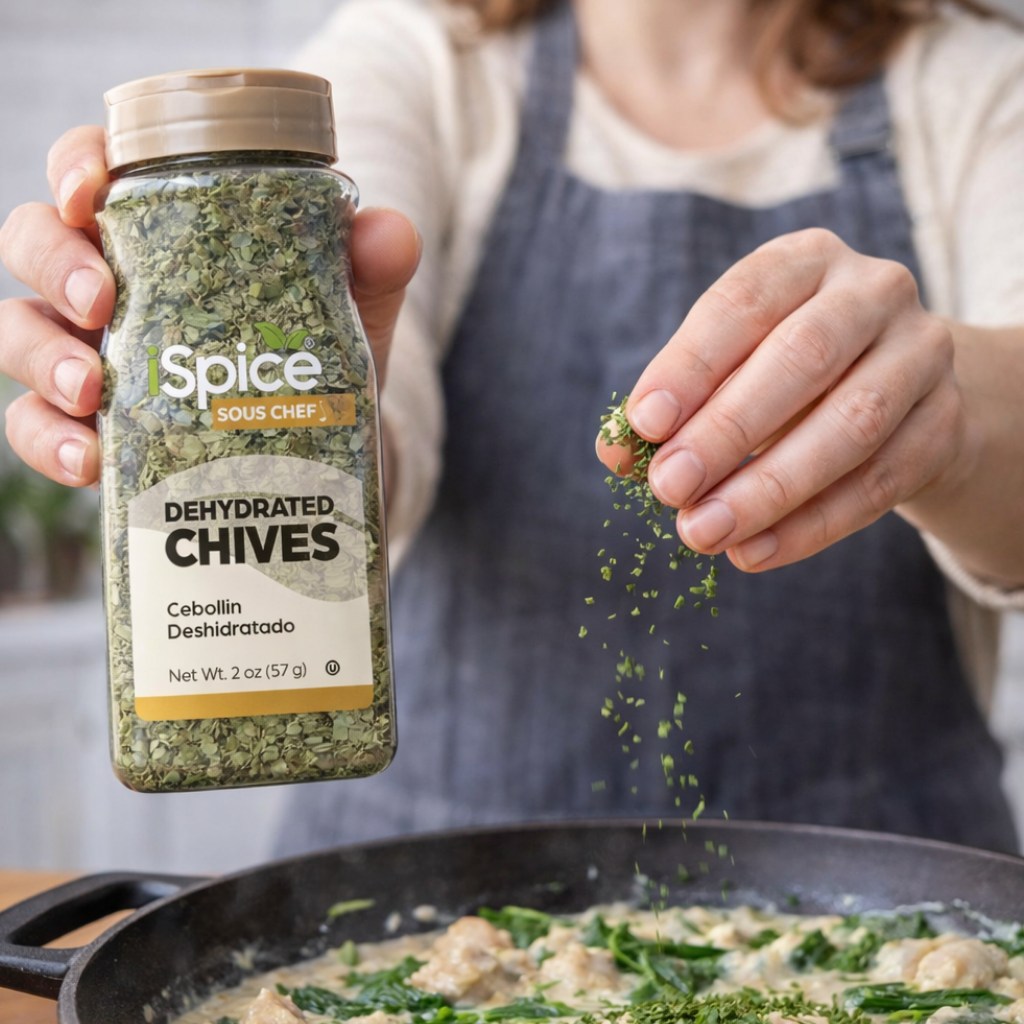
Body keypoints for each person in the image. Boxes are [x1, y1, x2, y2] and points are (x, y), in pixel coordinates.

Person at [2, 0, 1024, 853]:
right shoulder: (416, 66)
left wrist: (948, 419)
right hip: (412, 902)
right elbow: (371, 445)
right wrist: (214, 404)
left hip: (885, 909)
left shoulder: (978, 93)